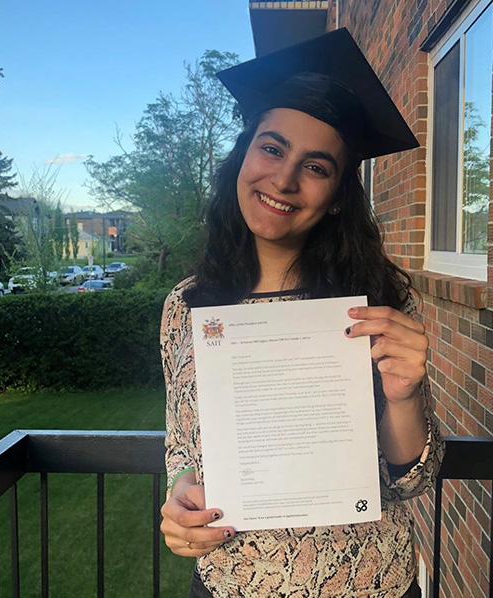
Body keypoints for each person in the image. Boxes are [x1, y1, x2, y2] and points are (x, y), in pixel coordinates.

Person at [160, 28, 444, 598]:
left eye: (316, 167)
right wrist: (179, 503)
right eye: (271, 148)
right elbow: (183, 449)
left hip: (368, 584)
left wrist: (405, 395)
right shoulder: (186, 306)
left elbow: (413, 479)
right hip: (233, 581)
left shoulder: (377, 301)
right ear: (243, 154)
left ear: (338, 193)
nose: (284, 180)